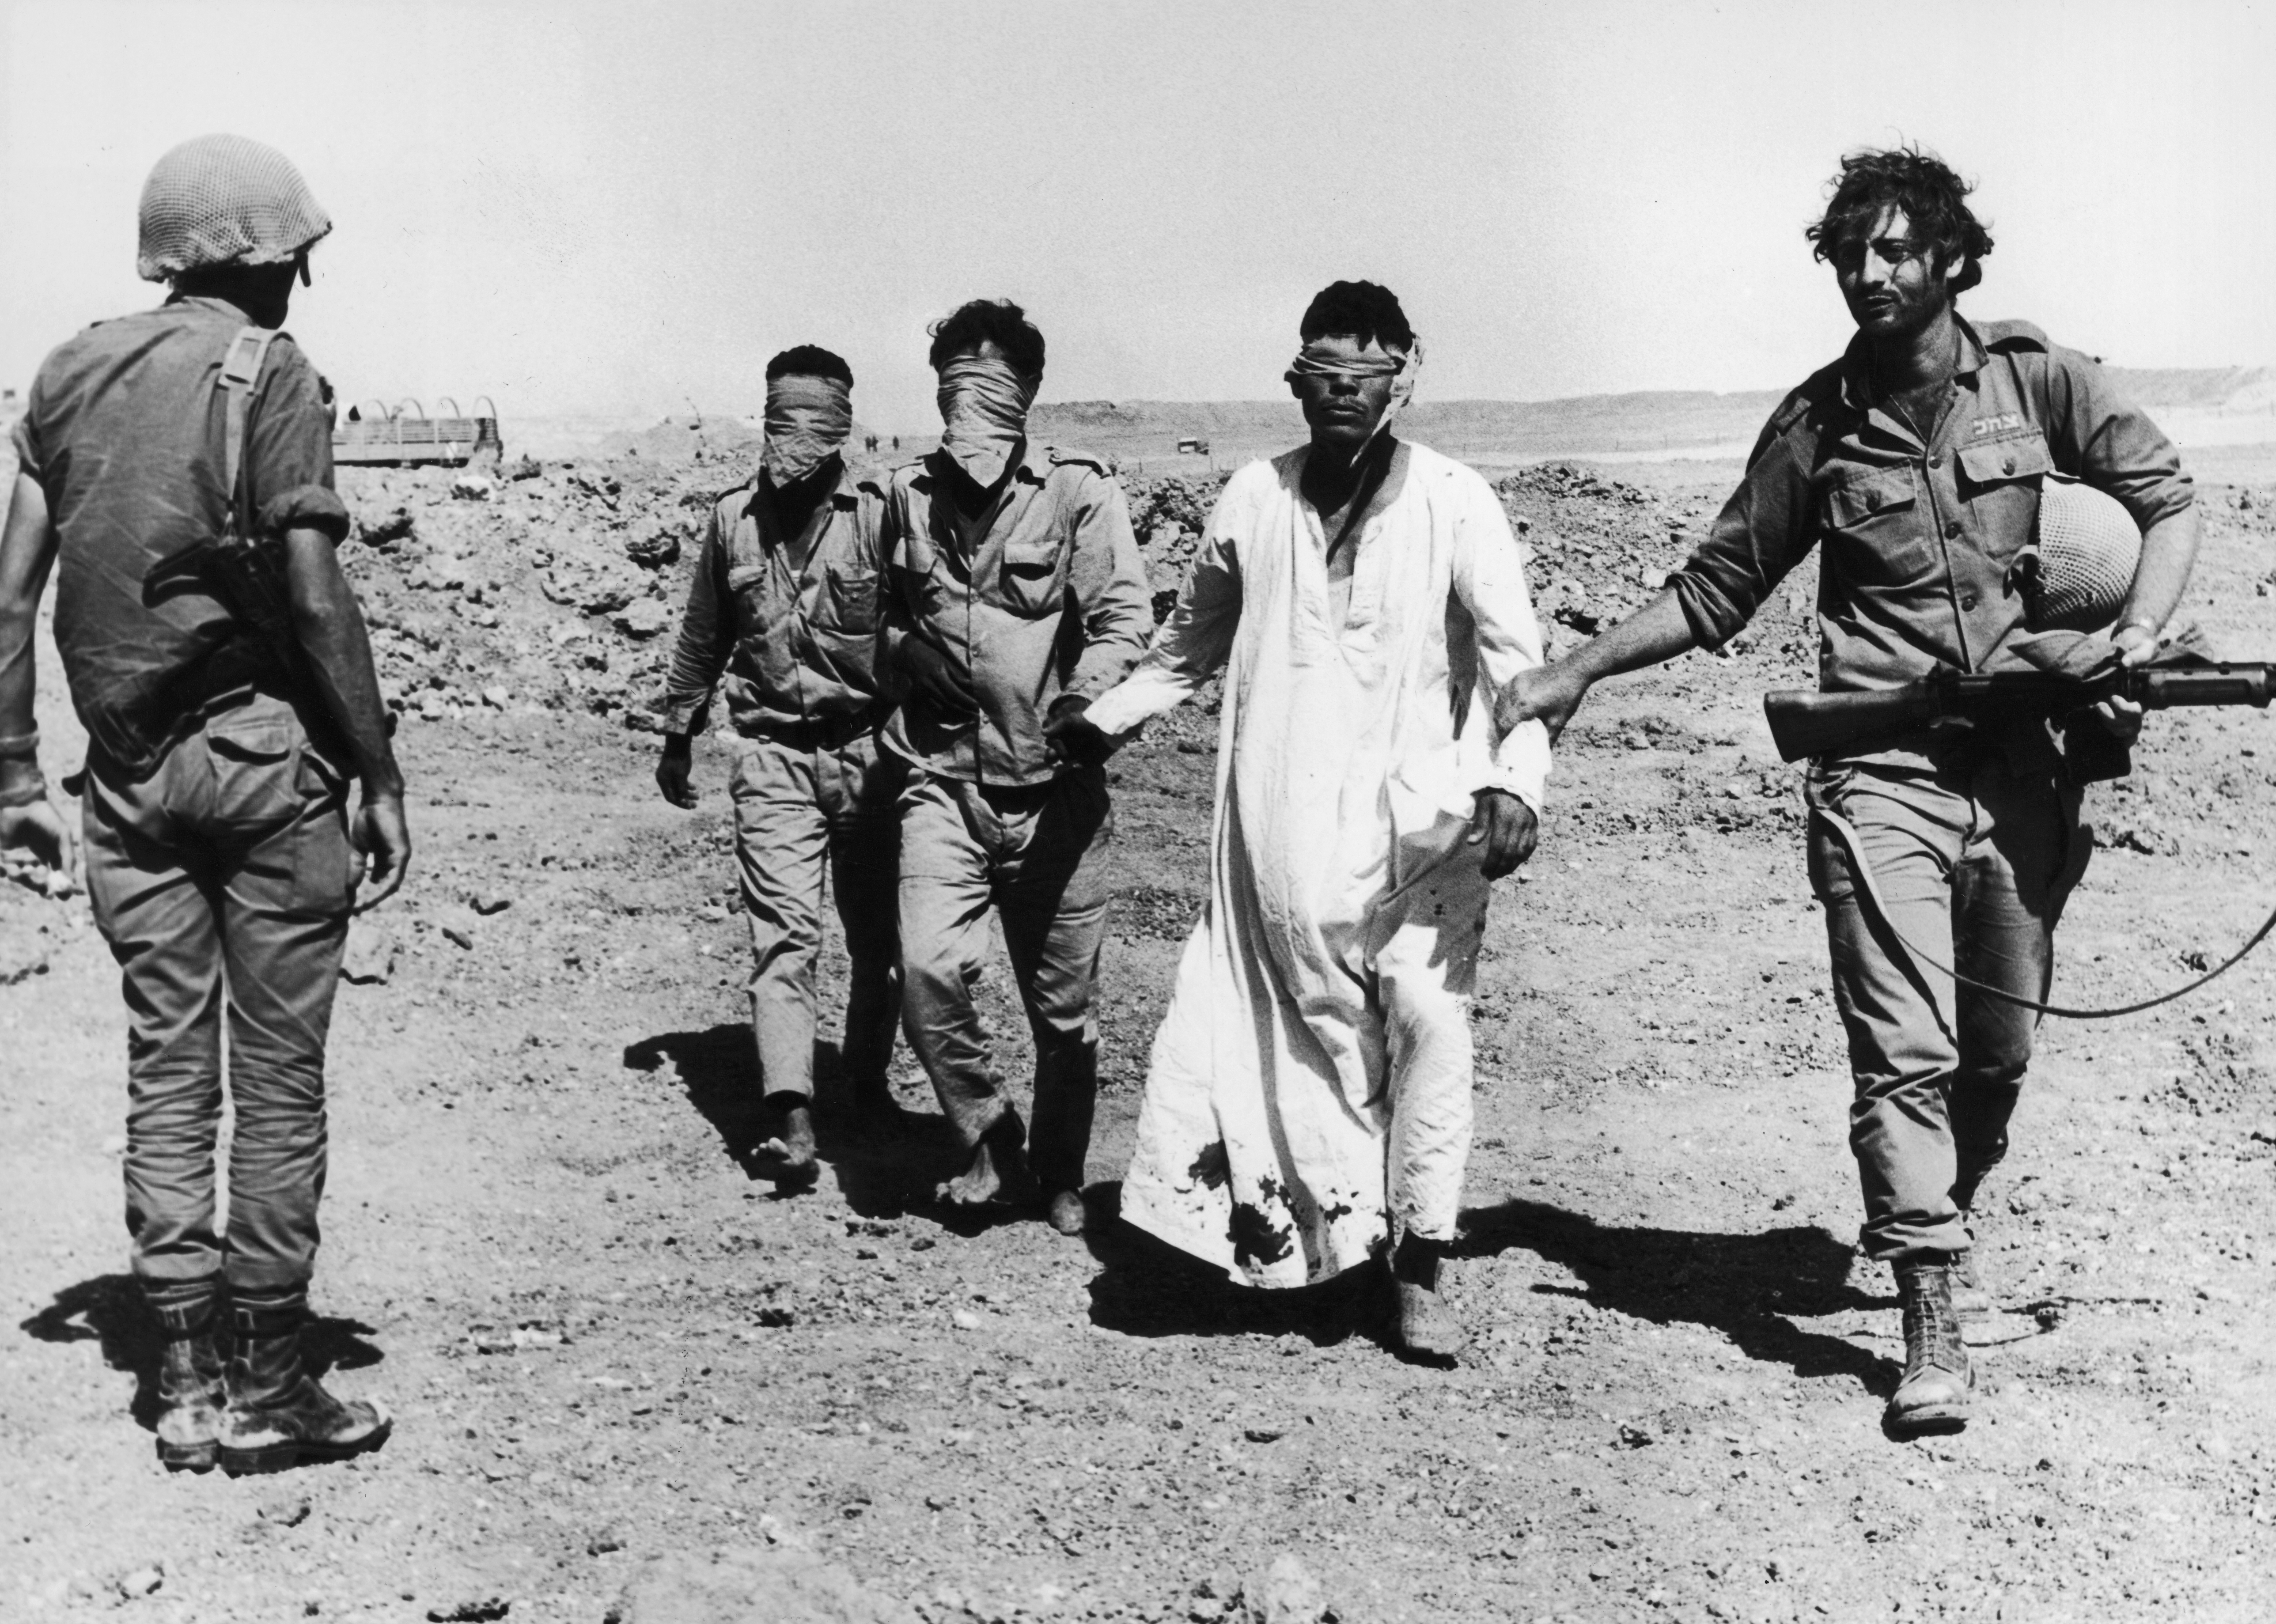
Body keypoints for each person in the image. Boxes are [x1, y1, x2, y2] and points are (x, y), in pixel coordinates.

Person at [1507, 148, 2199, 1432]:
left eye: (1892, 251)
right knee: (1905, 1046)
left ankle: (1947, 1202)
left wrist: (2142, 635)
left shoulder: (2040, 384)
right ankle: (1928, 1301)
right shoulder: (1818, 423)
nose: (1866, 274)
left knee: (1997, 1048)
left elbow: (2164, 498)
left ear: (1948, 260)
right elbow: (1717, 589)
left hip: (2026, 770)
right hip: (1878, 767)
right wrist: (1575, 670)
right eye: (1846, 253)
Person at [0, 134, 409, 1473]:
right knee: (278, 1082)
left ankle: (179, 1378)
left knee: (167, 1070)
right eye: (295, 255)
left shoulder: (68, 371)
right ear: (255, 255)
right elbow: (309, 593)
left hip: (123, 780)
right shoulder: (269, 374)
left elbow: (11, 594)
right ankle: (272, 1378)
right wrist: (378, 766)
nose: (302, 279)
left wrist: (13, 769)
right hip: (258, 767)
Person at [1056, 281, 1549, 1359]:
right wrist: (1104, 720)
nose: (1339, 393)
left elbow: (1520, 665)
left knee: (1425, 1026)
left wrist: (1516, 781)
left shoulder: (1457, 502)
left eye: (1363, 374)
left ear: (1407, 372)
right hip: (1274, 831)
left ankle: (1418, 1262)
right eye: (1319, 373)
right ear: (1294, 380)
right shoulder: (1251, 499)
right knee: (1264, 1034)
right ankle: (1288, 1251)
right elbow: (1188, 649)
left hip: (1420, 832)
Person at [880, 298, 1152, 1234]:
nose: (970, 407)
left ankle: (1062, 1170)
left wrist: (1087, 705)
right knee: (925, 969)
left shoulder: (1080, 494)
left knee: (1064, 1014)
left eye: (992, 384)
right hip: (943, 785)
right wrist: (906, 653)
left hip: (1057, 793)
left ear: (1030, 392)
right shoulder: (906, 498)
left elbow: (1125, 624)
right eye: (955, 382)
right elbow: (878, 620)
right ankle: (993, 1142)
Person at [658, 345, 903, 1184]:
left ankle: (866, 1085)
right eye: (779, 418)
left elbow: (926, 629)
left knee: (882, 945)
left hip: (872, 755)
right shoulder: (733, 520)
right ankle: (793, 1119)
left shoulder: (879, 514)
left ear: (841, 427)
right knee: (784, 942)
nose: (790, 440)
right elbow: (703, 633)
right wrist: (677, 732)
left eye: (811, 421)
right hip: (772, 758)